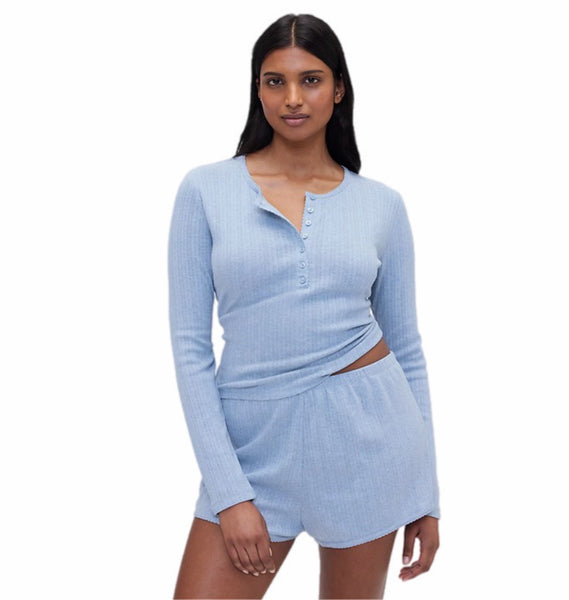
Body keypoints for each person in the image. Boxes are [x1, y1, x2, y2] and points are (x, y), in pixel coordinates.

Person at [167, 13, 441, 599]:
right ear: (258, 89)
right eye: (275, 81)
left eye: (310, 80)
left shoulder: (381, 205)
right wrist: (229, 493)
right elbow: (190, 350)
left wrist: (426, 492)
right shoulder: (205, 191)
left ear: (338, 89)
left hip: (370, 447)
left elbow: (408, 349)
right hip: (253, 453)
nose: (292, 97)